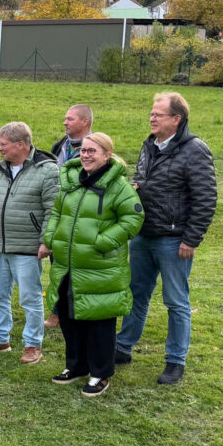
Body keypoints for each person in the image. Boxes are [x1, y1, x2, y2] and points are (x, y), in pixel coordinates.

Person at [115, 92, 217, 385]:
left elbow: (206, 198)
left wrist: (191, 239)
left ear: (177, 119)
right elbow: (142, 177)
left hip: (175, 241)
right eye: (151, 113)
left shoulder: (195, 150)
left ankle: (175, 361)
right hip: (144, 235)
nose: (152, 118)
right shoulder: (149, 145)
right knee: (136, 293)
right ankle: (122, 347)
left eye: (158, 114)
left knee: (175, 301)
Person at [43, 132, 143, 397]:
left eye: (92, 151)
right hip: (67, 263)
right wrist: (51, 237)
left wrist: (104, 241)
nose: (86, 155)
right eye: (83, 150)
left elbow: (133, 218)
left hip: (100, 265)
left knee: (99, 319)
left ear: (106, 155)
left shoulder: (118, 185)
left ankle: (100, 373)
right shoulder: (71, 180)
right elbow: (57, 211)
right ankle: (76, 366)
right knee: (68, 314)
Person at [0, 122, 59, 364]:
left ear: (21, 145)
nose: (0, 149)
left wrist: (46, 240)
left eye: (3, 144)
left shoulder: (47, 171)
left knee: (30, 299)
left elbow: (52, 210)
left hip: (27, 247)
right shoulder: (0, 170)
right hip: (1, 245)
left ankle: (33, 344)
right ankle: (0, 339)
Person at [42, 106, 93, 330]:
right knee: (58, 264)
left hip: (82, 216)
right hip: (59, 213)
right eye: (65, 119)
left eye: (70, 119)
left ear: (85, 122)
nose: (65, 123)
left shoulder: (95, 148)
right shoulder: (61, 145)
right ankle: (58, 311)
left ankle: (80, 309)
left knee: (80, 267)